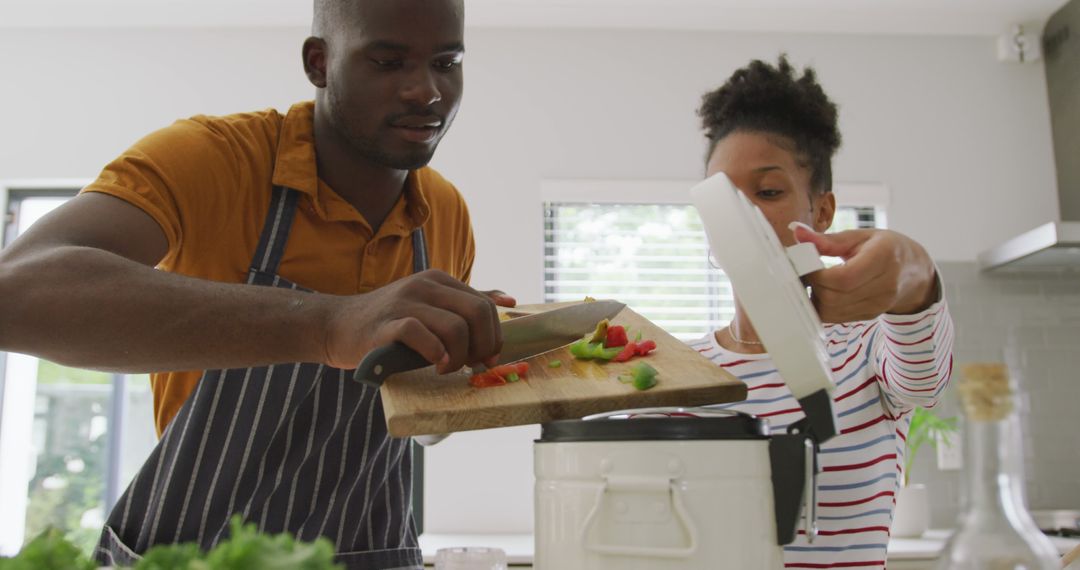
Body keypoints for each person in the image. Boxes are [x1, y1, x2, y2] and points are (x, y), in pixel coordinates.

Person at [0, 1, 511, 568]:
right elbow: (17, 293)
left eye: (447, 61)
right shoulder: (211, 160)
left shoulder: (444, 213)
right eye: (389, 62)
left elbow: (419, 429)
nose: (427, 91)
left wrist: (460, 373)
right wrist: (328, 324)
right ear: (319, 63)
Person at [690, 55, 953, 568]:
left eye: (767, 192)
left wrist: (913, 269)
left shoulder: (865, 352)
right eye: (722, 197)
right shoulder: (683, 372)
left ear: (822, 211)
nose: (740, 214)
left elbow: (924, 379)